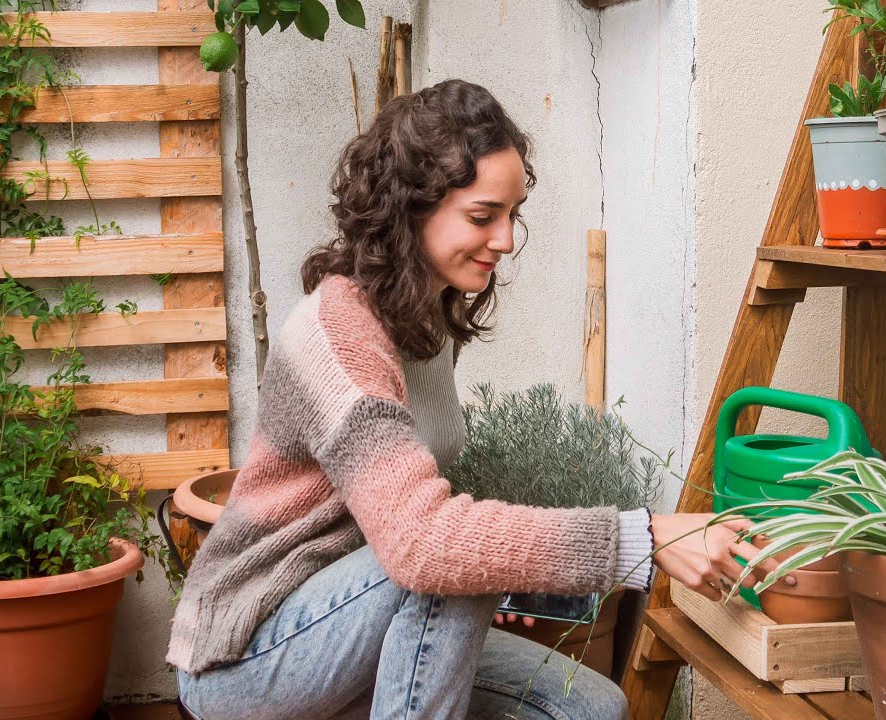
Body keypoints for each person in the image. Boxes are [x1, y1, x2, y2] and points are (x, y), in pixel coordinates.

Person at [167, 78, 779, 720]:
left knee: (590, 708)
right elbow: (422, 543)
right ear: (410, 208)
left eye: (513, 214)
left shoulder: (427, 319)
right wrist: (643, 538)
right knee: (451, 558)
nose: (507, 239)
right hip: (249, 655)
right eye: (484, 216)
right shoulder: (338, 333)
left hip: (359, 615)